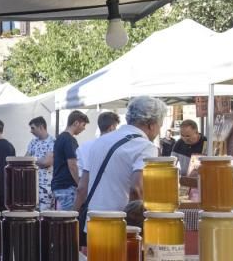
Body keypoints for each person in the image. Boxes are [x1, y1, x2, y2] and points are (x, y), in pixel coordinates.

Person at [74, 96, 165, 228]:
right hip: (120, 225)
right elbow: (137, 189)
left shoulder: (99, 141)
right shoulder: (146, 146)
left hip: (93, 222)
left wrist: (73, 221)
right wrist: (137, 227)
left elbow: (82, 188)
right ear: (151, 124)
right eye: (160, 125)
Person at [50, 110, 90, 211]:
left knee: (62, 219)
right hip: (67, 186)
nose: (84, 129)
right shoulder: (69, 139)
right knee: (69, 220)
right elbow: (72, 165)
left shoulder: (59, 138)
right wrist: (79, 183)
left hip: (59, 185)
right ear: (76, 123)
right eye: (83, 125)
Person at [25, 117, 55, 211]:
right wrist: (39, 161)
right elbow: (25, 160)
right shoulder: (33, 142)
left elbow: (47, 162)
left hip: (46, 189)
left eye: (33, 128)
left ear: (41, 127)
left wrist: (32, 160)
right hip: (31, 186)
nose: (31, 131)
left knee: (45, 215)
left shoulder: (53, 141)